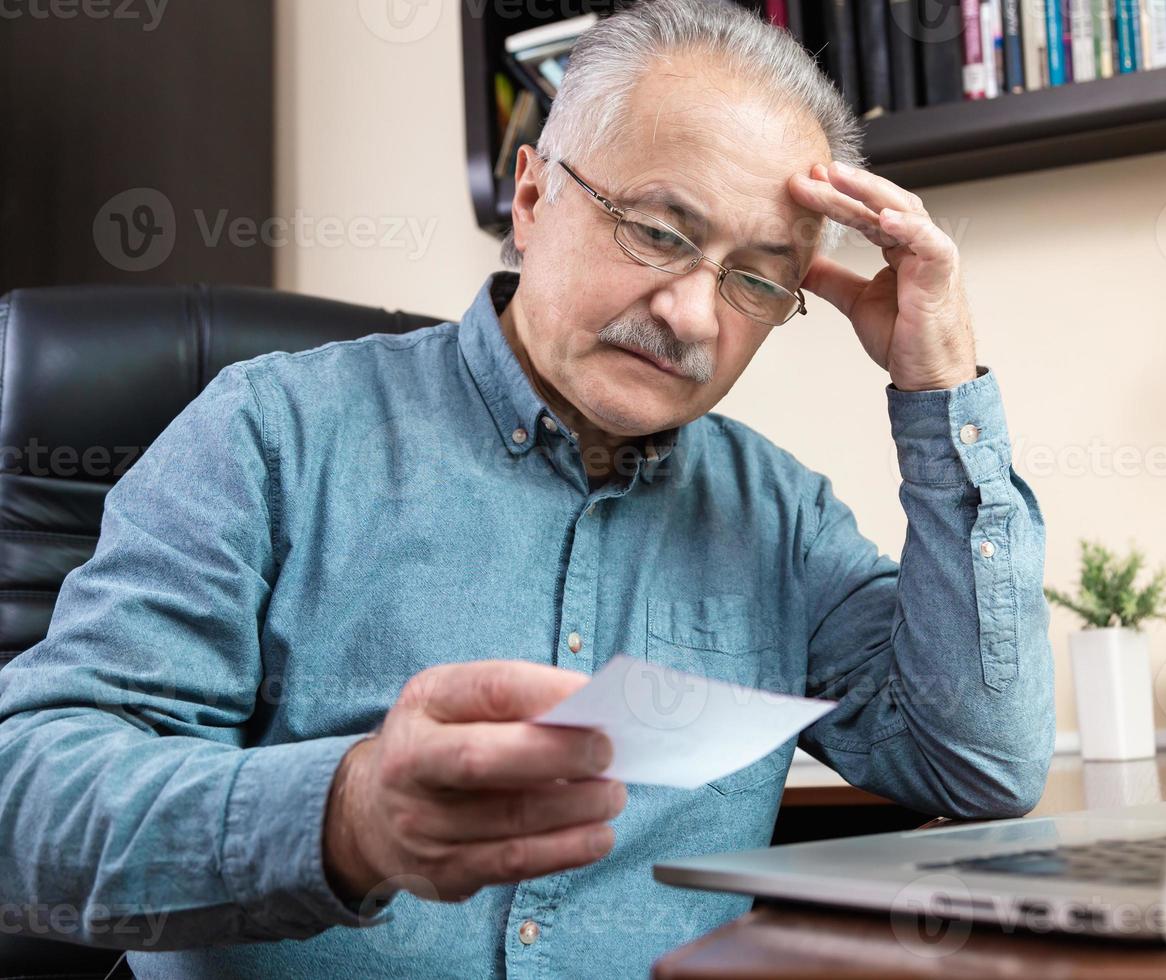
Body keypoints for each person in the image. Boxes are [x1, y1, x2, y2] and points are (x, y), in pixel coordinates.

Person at [0, 0, 1054, 975]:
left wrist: (941, 383)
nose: (692, 314)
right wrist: (349, 816)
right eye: (658, 229)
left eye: (757, 278)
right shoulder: (269, 433)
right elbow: (29, 804)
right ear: (534, 195)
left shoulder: (778, 517)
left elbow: (977, 764)